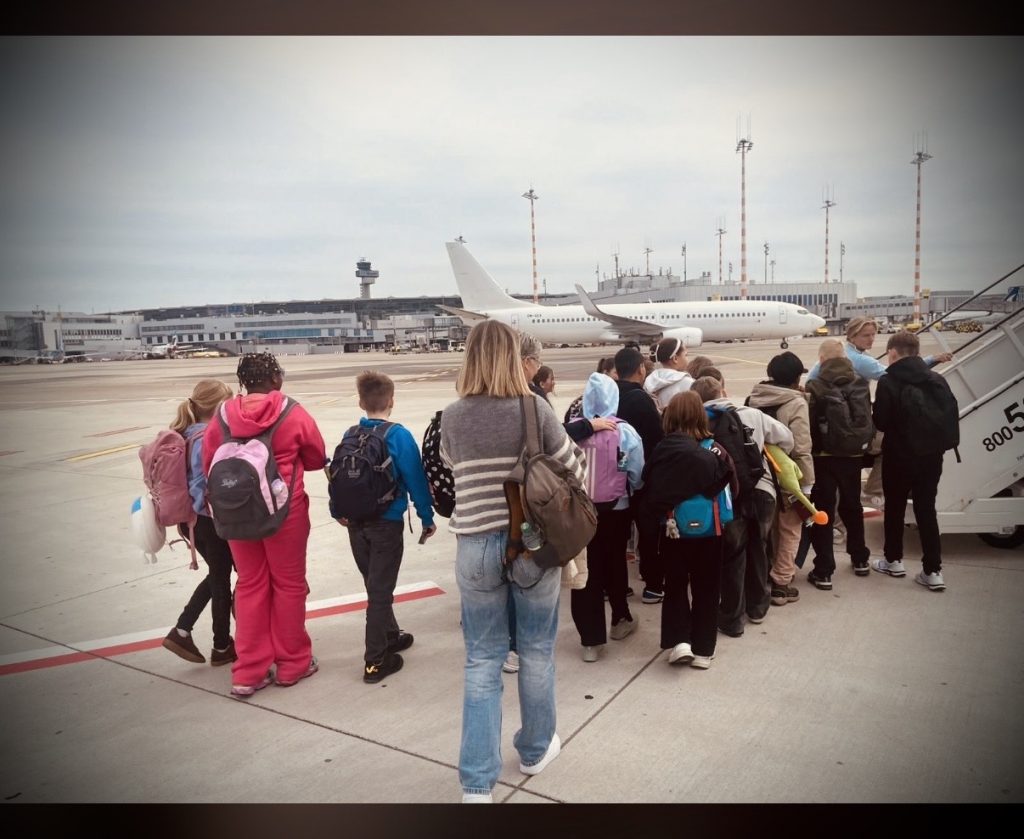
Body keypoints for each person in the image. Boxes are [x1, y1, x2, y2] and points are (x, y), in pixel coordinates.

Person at [441, 320, 583, 803]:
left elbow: (451, 464)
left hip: (475, 544)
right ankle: (535, 749)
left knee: (482, 659)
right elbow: (572, 466)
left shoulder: (453, 415)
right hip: (531, 543)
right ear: (512, 357)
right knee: (537, 650)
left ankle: (476, 782)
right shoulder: (534, 408)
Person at [202, 352, 327, 697]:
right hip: (285, 512)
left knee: (250, 583)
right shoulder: (292, 411)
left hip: (236, 511)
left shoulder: (222, 415)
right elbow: (316, 457)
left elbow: (207, 461)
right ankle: (292, 663)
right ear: (275, 379)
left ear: (243, 381)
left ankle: (248, 672)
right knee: (288, 585)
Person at [334, 371, 436, 683]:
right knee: (380, 592)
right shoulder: (398, 435)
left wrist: (337, 511)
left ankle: (390, 635)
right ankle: (375, 660)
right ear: (391, 401)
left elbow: (338, 477)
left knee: (375, 584)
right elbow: (416, 480)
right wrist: (426, 517)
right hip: (386, 524)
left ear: (361, 402)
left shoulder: (351, 433)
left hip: (355, 524)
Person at [806, 317, 952, 508]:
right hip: (845, 429)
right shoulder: (857, 359)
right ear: (852, 336)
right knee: (889, 445)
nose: (871, 339)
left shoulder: (840, 353)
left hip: (830, 426)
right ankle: (873, 490)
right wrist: (931, 360)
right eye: (866, 335)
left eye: (873, 334)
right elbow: (898, 372)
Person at [690, 373, 793, 635]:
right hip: (762, 491)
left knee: (733, 556)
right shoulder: (752, 414)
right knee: (760, 546)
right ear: (723, 392)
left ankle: (732, 618)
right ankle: (758, 608)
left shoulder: (698, 422)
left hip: (727, 497)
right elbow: (787, 438)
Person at [640, 391, 732, 670]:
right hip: (710, 530)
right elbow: (732, 487)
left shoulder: (662, 451)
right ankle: (704, 649)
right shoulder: (714, 450)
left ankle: (680, 641)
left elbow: (648, 487)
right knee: (707, 587)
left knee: (676, 584)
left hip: (673, 529)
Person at [870, 330, 957, 591]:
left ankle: (893, 560)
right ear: (917, 352)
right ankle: (933, 571)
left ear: (892, 353)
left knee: (895, 508)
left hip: (898, 456)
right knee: (926, 509)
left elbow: (881, 421)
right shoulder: (937, 379)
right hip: (931, 456)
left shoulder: (888, 382)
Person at [161, 379, 237, 666]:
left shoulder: (185, 433)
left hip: (190, 520)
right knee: (221, 580)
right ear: (218, 406)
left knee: (218, 574)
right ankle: (220, 645)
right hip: (207, 519)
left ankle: (183, 630)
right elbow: (206, 482)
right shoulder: (207, 438)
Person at [570, 372, 644, 662]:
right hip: (617, 508)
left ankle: (591, 641)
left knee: (585, 571)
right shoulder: (624, 431)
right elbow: (636, 471)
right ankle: (620, 619)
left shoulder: (574, 429)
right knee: (615, 563)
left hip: (581, 511)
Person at [745, 352, 817, 596]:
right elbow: (802, 446)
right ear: (796, 378)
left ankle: (763, 572)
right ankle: (782, 582)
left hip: (758, 473)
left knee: (763, 530)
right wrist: (807, 484)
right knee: (790, 528)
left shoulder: (753, 399)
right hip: (788, 476)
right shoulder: (796, 403)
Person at [803, 339, 875, 581]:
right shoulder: (860, 382)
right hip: (853, 456)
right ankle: (860, 558)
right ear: (845, 358)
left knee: (823, 511)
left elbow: (810, 425)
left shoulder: (815, 385)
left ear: (821, 360)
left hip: (824, 458)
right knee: (852, 506)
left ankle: (824, 570)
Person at [614, 346, 666, 605]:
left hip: (612, 477)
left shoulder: (610, 395)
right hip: (642, 477)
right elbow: (656, 438)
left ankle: (617, 587)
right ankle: (652, 586)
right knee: (648, 534)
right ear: (641, 369)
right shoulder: (641, 399)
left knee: (617, 536)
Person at [643, 336, 694, 411]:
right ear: (675, 358)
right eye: (685, 355)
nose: (687, 359)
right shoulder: (688, 382)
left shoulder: (648, 381)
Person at [564, 357, 617, 424]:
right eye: (616, 373)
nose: (619, 376)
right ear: (605, 373)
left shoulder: (580, 401)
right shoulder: (584, 403)